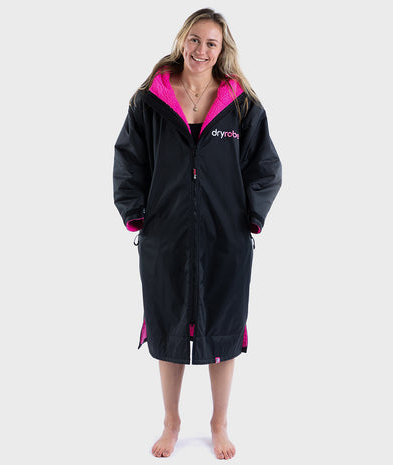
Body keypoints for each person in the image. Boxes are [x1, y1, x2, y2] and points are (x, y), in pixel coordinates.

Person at [113, 8, 282, 460]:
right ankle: (171, 422)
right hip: (165, 234)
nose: (201, 50)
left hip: (226, 237)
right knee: (168, 324)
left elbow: (265, 167)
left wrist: (250, 218)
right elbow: (128, 160)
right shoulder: (150, 100)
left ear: (222, 50)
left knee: (223, 329)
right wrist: (137, 215)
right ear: (182, 40)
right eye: (195, 40)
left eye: (211, 43)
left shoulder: (241, 104)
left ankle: (218, 423)